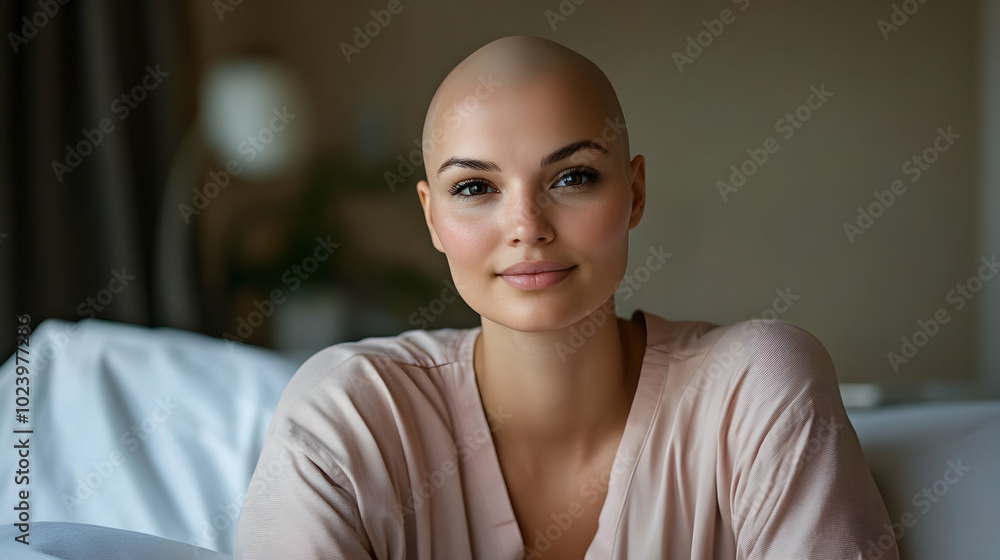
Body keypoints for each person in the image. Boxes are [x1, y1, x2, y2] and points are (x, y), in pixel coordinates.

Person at [234, 35, 898, 560]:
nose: (528, 226)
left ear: (635, 193)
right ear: (432, 216)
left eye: (573, 176)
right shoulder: (348, 419)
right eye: (475, 188)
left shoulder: (756, 388)